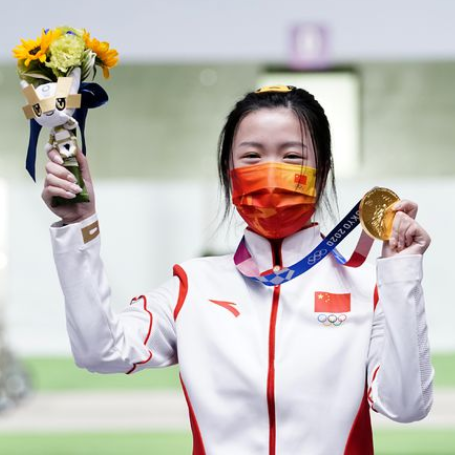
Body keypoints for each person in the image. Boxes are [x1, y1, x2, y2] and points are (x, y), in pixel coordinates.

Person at [42, 85, 433, 455]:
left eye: (291, 157)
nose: (270, 172)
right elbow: (100, 351)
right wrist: (78, 226)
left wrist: (401, 273)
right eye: (251, 157)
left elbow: (406, 405)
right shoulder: (191, 288)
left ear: (324, 171)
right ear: (228, 171)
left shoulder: (369, 288)